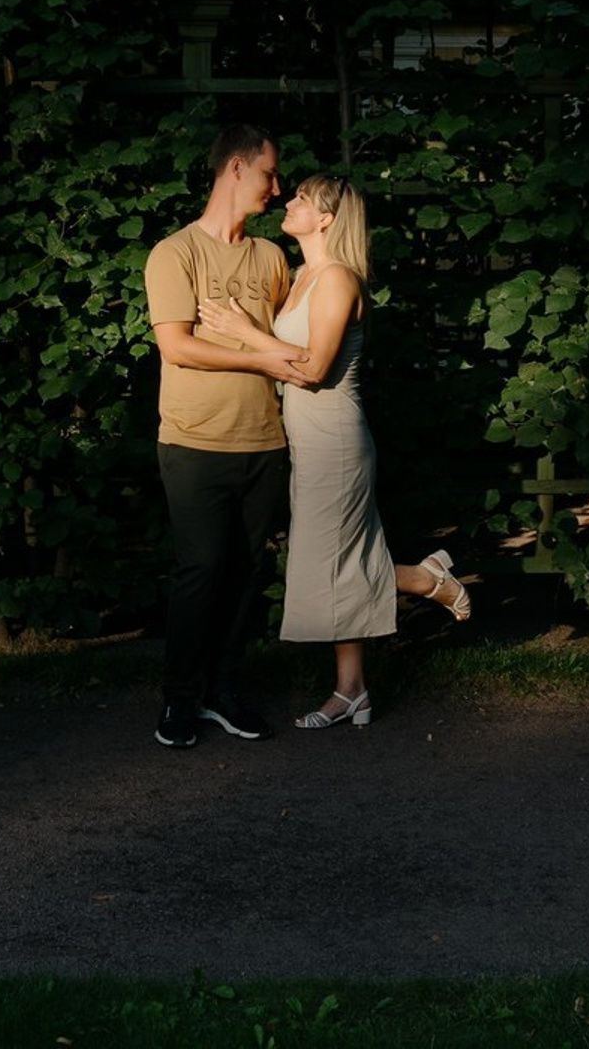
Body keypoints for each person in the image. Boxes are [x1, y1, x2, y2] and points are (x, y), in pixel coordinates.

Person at [199, 175, 472, 728]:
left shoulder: (339, 280)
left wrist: (243, 331)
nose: (288, 201)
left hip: (337, 439)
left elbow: (315, 366)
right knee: (336, 561)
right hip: (307, 436)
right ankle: (352, 691)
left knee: (332, 564)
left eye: (301, 198)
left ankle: (424, 579)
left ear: (326, 219)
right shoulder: (302, 275)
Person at [144, 124, 312, 750]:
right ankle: (179, 700)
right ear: (236, 169)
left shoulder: (270, 258)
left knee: (246, 574)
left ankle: (222, 692)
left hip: (264, 443)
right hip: (193, 443)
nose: (277, 186)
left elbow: (288, 348)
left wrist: (266, 352)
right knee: (200, 570)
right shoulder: (175, 253)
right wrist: (262, 360)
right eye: (270, 173)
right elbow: (178, 347)